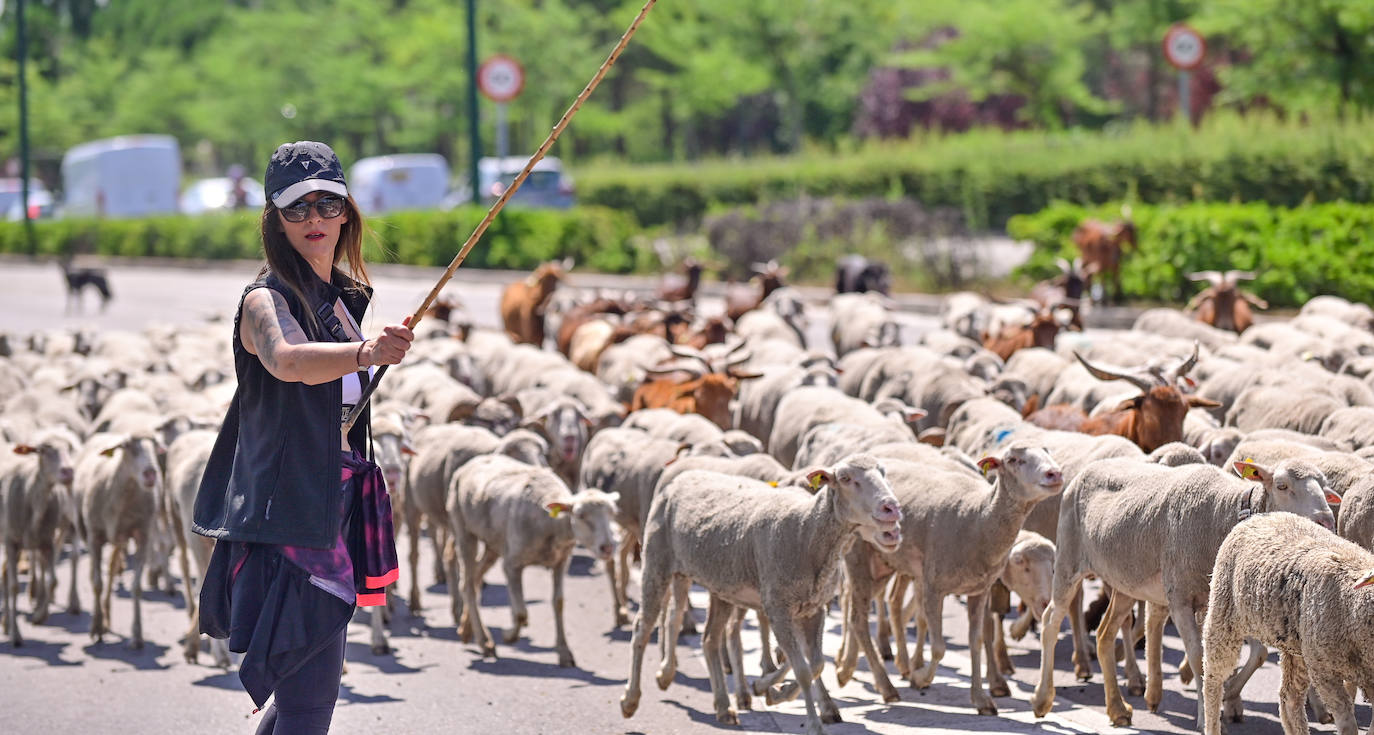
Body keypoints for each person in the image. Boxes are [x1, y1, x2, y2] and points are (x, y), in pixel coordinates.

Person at [191, 141, 414, 734]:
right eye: (297, 209)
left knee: (303, 699)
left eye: (327, 203)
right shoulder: (265, 300)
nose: (314, 219)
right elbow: (288, 360)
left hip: (331, 507)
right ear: (274, 220)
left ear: (346, 212)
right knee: (309, 703)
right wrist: (365, 352)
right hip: (285, 517)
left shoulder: (342, 300)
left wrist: (366, 347)